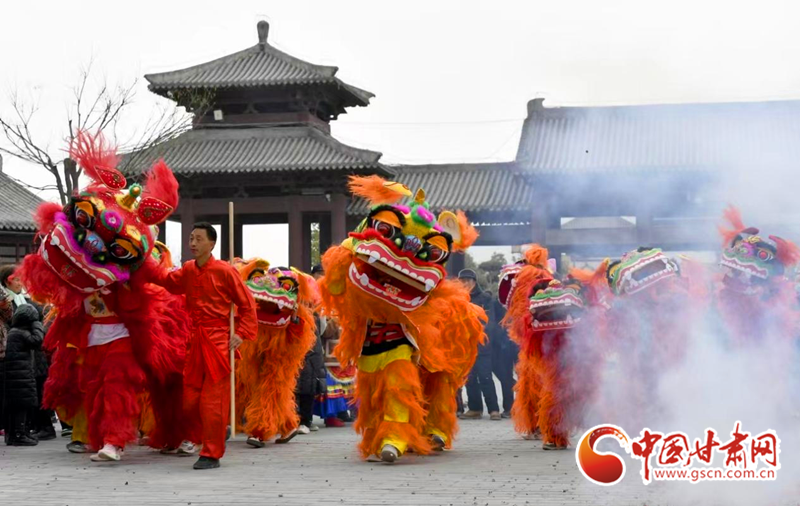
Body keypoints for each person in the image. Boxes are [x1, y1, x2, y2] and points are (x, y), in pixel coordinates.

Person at [148, 222, 258, 469]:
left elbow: (247, 304)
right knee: (189, 401)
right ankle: (213, 431)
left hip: (218, 342)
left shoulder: (225, 271)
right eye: (191, 238)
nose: (193, 243)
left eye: (199, 239)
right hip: (194, 340)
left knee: (212, 401)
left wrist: (241, 333)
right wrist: (143, 264)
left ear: (212, 243)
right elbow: (168, 281)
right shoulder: (188, 269)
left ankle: (211, 453)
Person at [310, 265, 356, 428]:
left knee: (347, 382)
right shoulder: (318, 300)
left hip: (346, 349)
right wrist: (335, 321)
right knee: (332, 384)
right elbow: (323, 330)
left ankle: (343, 411)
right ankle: (331, 415)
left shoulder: (346, 299)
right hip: (329, 351)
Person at [459, 269, 501, 421]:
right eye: (462, 281)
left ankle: (493, 409)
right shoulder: (458, 298)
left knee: (485, 377)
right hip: (465, 345)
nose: (465, 283)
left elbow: (490, 321)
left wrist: (480, 334)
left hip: (482, 344)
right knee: (469, 378)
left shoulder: (485, 298)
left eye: (468, 280)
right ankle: (475, 408)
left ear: (474, 282)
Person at [2, 304, 45, 445]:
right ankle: (19, 434)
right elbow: (37, 340)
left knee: (19, 406)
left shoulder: (15, 331)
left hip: (18, 375)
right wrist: (37, 324)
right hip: (20, 376)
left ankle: (17, 434)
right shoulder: (20, 333)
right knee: (21, 405)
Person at [491, 300, 517, 418]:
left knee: (524, 377)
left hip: (518, 343)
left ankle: (527, 408)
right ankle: (509, 408)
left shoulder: (524, 300)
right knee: (505, 377)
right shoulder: (497, 302)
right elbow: (494, 321)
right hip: (502, 344)